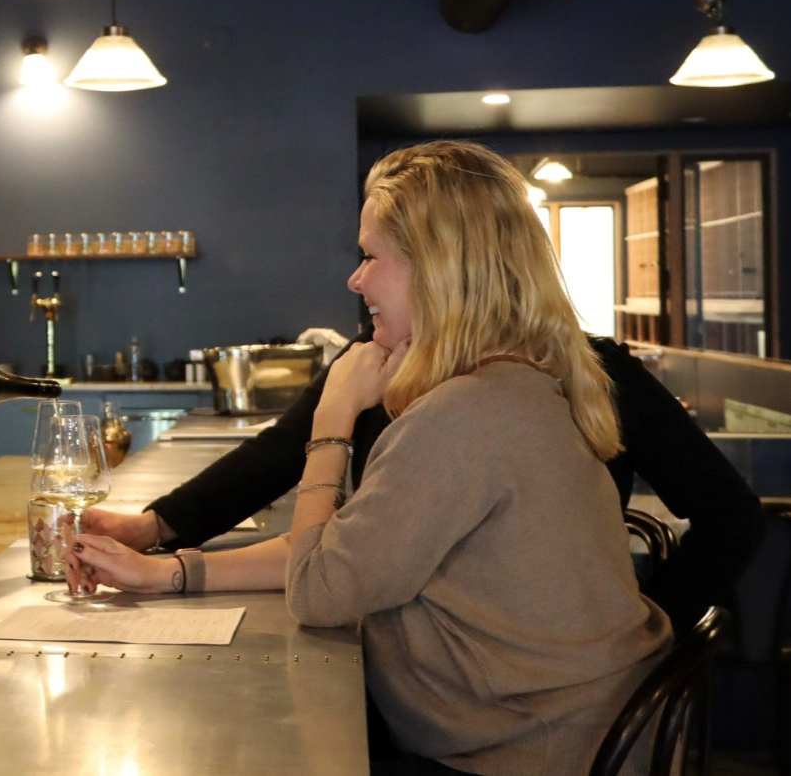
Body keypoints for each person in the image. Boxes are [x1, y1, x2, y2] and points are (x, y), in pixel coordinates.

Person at [70, 140, 673, 773]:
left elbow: (318, 590)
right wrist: (166, 572)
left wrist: (332, 424)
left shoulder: (462, 415)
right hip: (584, 730)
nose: (355, 279)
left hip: (531, 750)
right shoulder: (521, 383)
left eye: (370, 256)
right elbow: (349, 551)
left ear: (438, 266)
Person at [84, 326, 764, 631]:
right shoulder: (381, 362)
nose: (355, 279)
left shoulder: (582, 371)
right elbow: (289, 454)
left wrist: (650, 625)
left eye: (374, 255)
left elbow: (732, 516)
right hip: (438, 652)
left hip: (504, 684)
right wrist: (156, 534)